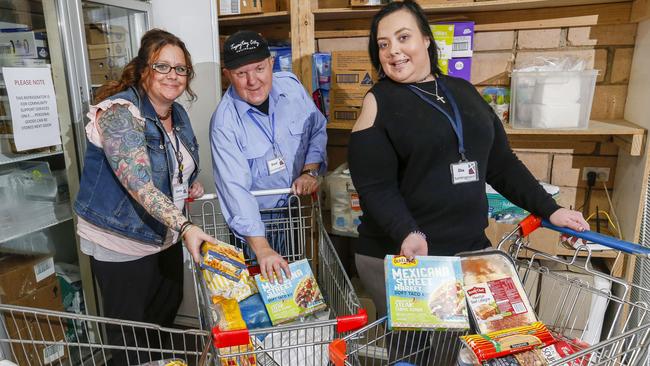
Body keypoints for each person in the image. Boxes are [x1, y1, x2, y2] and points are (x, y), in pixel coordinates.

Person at [348, 1, 589, 362]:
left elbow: (501, 164)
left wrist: (550, 210)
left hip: (467, 250)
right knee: (420, 355)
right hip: (407, 254)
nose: (393, 50)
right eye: (383, 44)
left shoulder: (462, 91)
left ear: (427, 39)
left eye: (403, 37)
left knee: (466, 351)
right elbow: (374, 185)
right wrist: (407, 232)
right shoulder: (378, 101)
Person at [74, 29, 215, 365]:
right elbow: (140, 185)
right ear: (143, 69)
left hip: (163, 236)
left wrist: (188, 183)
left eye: (180, 69)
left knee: (161, 323)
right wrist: (186, 227)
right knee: (130, 339)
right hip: (121, 240)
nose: (173, 76)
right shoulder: (119, 112)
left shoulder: (175, 113)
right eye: (162, 66)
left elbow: (176, 166)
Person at [210, 30, 327, 283]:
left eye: (260, 69)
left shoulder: (292, 87)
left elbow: (317, 128)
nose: (253, 81)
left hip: (296, 212)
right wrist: (262, 248)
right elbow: (235, 190)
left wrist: (309, 170)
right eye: (241, 73)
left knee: (296, 289)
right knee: (264, 297)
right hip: (255, 225)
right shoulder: (224, 123)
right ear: (227, 75)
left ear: (271, 64)